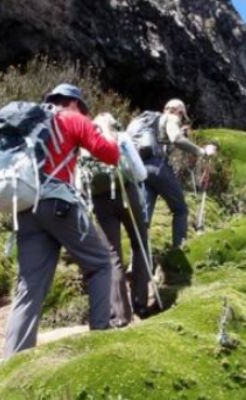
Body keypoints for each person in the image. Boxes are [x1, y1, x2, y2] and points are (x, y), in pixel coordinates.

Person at [2, 84, 120, 358]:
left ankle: (12, 361)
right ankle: (100, 339)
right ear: (75, 103)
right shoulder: (73, 117)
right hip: (58, 203)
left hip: (26, 206)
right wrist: (107, 130)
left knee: (30, 287)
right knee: (101, 263)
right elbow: (111, 155)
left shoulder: (32, 123)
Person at [83, 113, 153, 325]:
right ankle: (141, 302)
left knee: (111, 254)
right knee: (140, 243)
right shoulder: (121, 137)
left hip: (100, 200)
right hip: (126, 193)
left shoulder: (86, 143)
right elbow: (141, 174)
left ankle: (120, 315)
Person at [143, 99, 217, 248]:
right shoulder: (172, 117)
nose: (182, 120)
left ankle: (137, 263)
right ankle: (179, 250)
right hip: (159, 167)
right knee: (180, 210)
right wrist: (201, 151)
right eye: (183, 117)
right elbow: (176, 138)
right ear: (179, 111)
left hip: (143, 168)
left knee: (144, 218)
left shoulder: (151, 121)